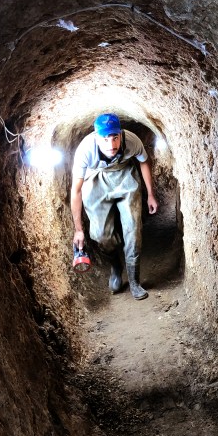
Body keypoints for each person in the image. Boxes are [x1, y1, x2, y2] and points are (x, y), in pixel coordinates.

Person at [71, 113, 158, 299]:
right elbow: (76, 190)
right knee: (101, 235)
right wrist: (78, 229)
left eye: (115, 137)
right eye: (105, 139)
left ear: (120, 134)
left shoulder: (131, 141)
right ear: (97, 137)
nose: (111, 145)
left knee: (133, 231)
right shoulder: (86, 150)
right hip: (96, 179)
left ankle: (134, 281)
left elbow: (144, 162)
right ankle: (116, 267)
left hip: (125, 175)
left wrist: (151, 194)